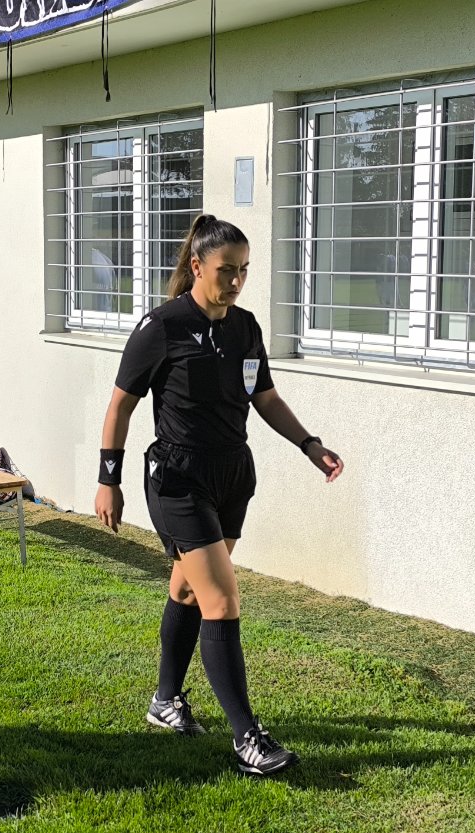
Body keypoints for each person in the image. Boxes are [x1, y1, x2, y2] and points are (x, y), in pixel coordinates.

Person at [94, 214, 344, 777]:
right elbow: (120, 406)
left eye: (244, 270)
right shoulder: (162, 326)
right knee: (223, 601)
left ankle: (164, 701)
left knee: (187, 589)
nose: (235, 281)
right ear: (197, 266)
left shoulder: (245, 328)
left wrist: (309, 444)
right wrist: (109, 479)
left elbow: (265, 397)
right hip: (178, 479)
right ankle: (248, 738)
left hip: (232, 474)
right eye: (226, 270)